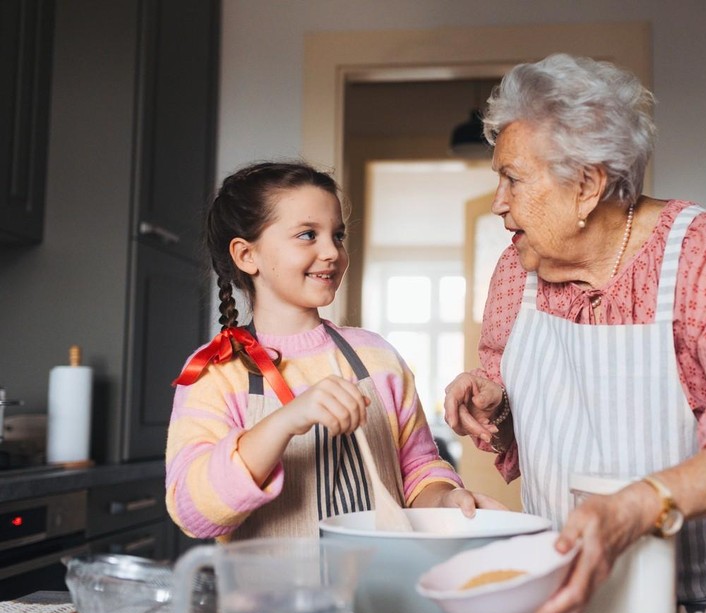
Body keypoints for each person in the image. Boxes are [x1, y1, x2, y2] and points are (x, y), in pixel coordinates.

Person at [443, 54, 706, 613]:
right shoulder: (519, 268)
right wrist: (496, 405)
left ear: (586, 186)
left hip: (702, 607)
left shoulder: (694, 252)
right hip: (565, 597)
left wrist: (637, 506)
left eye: (512, 178)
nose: (498, 202)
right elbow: (539, 424)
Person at [167, 161, 502, 540]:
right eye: (308, 235)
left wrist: (445, 500)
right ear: (247, 255)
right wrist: (285, 421)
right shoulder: (215, 373)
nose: (332, 252)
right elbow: (194, 513)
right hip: (268, 581)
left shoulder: (378, 357)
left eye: (337, 235)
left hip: (379, 577)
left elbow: (419, 469)